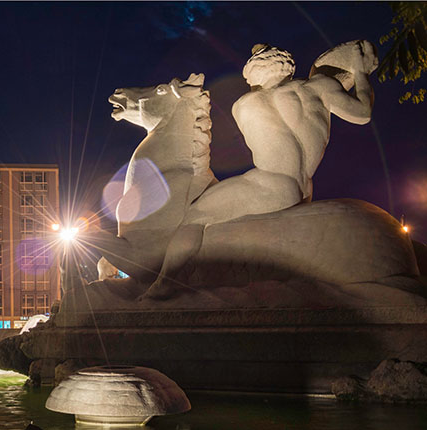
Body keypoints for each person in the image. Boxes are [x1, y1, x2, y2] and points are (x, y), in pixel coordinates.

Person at [143, 41, 377, 299]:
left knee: (195, 215)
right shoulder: (321, 87)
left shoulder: (245, 103)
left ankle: (164, 284)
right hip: (304, 186)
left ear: (253, 72)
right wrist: (360, 73)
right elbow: (363, 113)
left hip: (269, 184)